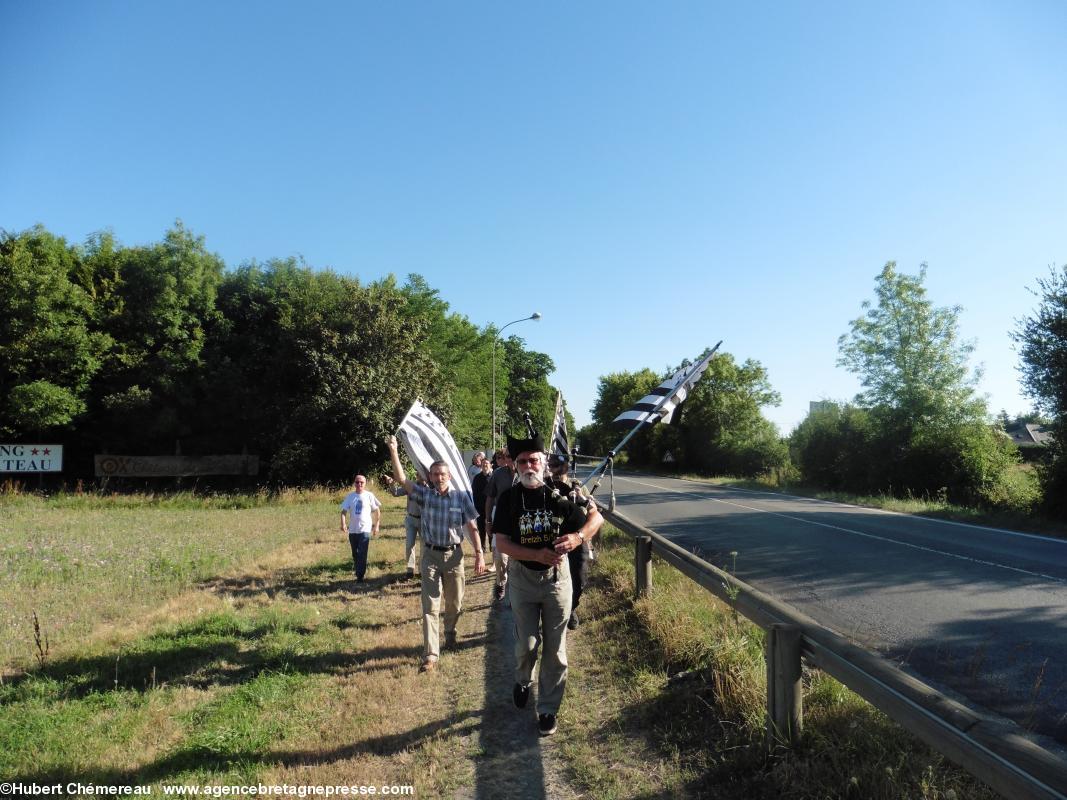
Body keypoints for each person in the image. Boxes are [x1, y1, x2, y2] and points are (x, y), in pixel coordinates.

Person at [492, 435, 601, 736]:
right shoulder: (509, 499)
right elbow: (501, 542)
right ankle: (523, 679)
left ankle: (548, 709)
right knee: (527, 645)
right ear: (515, 466)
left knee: (555, 650)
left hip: (557, 581)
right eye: (523, 461)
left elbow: (595, 518)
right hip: (523, 579)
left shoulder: (561, 494)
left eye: (534, 460)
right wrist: (535, 554)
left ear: (543, 464)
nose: (529, 466)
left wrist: (578, 537)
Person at [386, 435, 487, 672]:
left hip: (454, 557)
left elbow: (472, 527)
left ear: (448, 477)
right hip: (430, 556)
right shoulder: (425, 495)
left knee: (454, 603)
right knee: (430, 607)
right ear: (430, 477)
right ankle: (431, 654)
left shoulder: (461, 497)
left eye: (443, 474)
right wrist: (393, 451)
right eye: (435, 474)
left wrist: (480, 554)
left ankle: (450, 632)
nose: (439, 478)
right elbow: (401, 479)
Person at [547, 453, 605, 630]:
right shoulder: (545, 485)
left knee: (579, 578)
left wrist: (582, 499)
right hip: (552, 539)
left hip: (577, 540)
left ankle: (571, 608)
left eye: (559, 466)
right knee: (552, 580)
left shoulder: (579, 486)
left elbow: (593, 513)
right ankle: (553, 611)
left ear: (566, 467)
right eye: (552, 465)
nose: (555, 469)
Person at [484, 447, 516, 602]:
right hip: (501, 519)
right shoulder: (498, 474)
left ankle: (515, 591)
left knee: (517, 559)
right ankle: (500, 582)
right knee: (500, 558)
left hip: (521, 521)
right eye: (508, 456)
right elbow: (490, 497)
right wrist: (488, 520)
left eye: (514, 456)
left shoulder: (528, 474)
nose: (511, 459)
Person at [339, 475, 381, 583]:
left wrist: (377, 525)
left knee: (362, 552)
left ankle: (360, 576)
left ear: (365, 483)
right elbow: (343, 511)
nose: (359, 484)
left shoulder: (369, 496)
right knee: (355, 553)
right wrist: (343, 524)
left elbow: (377, 511)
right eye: (357, 482)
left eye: (361, 482)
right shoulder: (350, 496)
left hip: (365, 529)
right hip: (353, 530)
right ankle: (359, 571)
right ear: (354, 483)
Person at [383, 472, 425, 579]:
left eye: (423, 474)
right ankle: (410, 571)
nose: (422, 477)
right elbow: (396, 493)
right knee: (409, 545)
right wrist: (391, 484)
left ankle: (422, 570)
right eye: (419, 474)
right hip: (411, 519)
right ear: (416, 476)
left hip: (424, 521)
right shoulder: (410, 486)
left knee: (424, 546)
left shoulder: (430, 488)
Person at [470, 458, 494, 564]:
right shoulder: (477, 478)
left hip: (491, 508)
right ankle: (482, 548)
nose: (485, 465)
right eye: (483, 463)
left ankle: (492, 547)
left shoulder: (493, 477)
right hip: (479, 508)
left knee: (491, 529)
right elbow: (474, 493)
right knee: (481, 529)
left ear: (490, 465)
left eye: (487, 463)